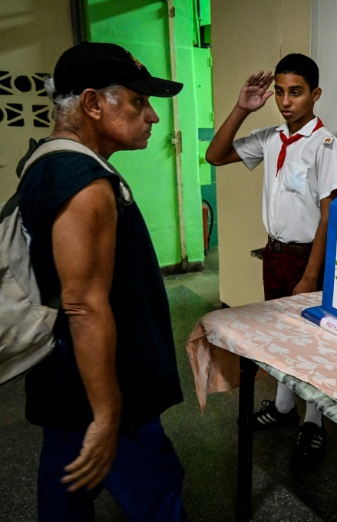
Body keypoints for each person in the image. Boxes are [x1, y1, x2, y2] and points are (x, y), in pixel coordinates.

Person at [18, 42, 188, 521]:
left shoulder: (47, 163)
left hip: (65, 380)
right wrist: (109, 414)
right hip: (108, 386)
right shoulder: (84, 181)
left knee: (66, 495)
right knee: (158, 499)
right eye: (138, 101)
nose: (152, 116)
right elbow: (83, 305)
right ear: (93, 104)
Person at [206, 53, 337, 465]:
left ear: (315, 95)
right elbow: (216, 155)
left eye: (296, 93)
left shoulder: (324, 145)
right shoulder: (271, 138)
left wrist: (311, 275)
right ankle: (285, 408)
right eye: (280, 93)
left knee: (311, 342)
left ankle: (314, 422)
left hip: (308, 259)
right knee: (282, 336)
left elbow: (329, 215)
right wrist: (241, 108)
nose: (286, 101)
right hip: (276, 254)